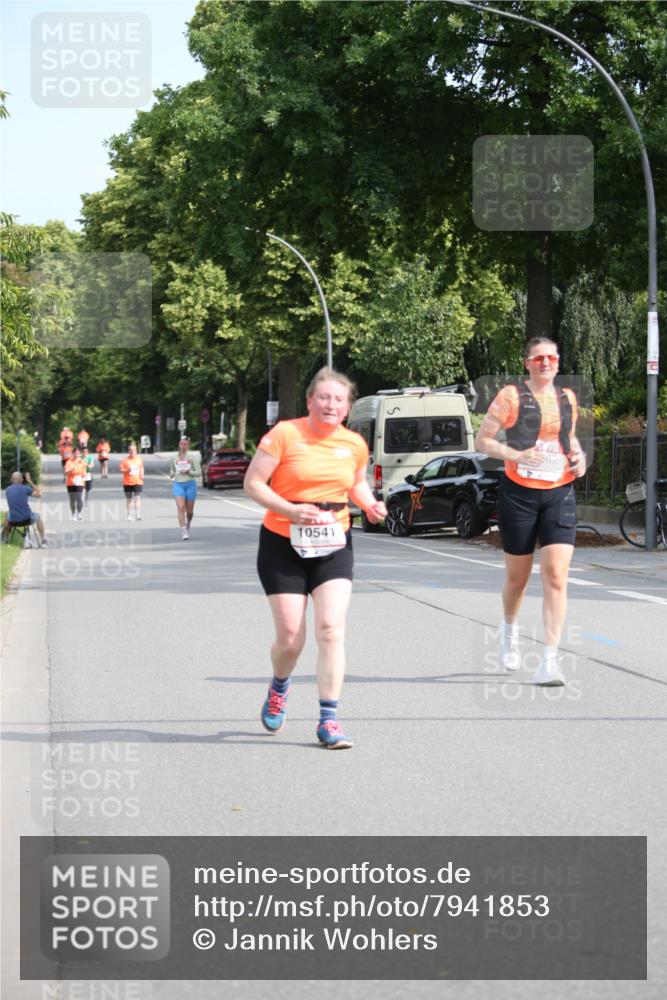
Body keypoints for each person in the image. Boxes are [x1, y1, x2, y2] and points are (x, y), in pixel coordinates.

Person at [243, 367, 387, 749]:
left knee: (331, 629)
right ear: (310, 401)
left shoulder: (354, 443)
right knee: (292, 639)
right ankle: (279, 686)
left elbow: (356, 482)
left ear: (347, 407)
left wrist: (370, 504)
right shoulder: (284, 434)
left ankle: (329, 720)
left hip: (334, 543)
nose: (330, 404)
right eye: (323, 397)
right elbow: (253, 483)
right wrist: (290, 510)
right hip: (282, 543)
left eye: (339, 399)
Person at [475, 337, 587, 687]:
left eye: (551, 357)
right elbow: (483, 441)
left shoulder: (567, 398)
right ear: (527, 363)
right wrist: (516, 455)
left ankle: (549, 662)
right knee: (518, 579)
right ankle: (509, 630)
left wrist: (580, 457)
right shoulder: (510, 396)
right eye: (538, 358)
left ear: (558, 361)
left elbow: (569, 438)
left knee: (555, 576)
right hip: (519, 493)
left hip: (559, 491)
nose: (546, 363)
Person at [168, 437, 201, 540]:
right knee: (181, 507)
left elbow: (199, 472)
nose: (183, 446)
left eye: (185, 444)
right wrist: (172, 474)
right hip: (178, 484)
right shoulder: (173, 458)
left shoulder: (192, 457)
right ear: (179, 445)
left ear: (188, 446)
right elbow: (171, 471)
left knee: (189, 511)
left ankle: (188, 523)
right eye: (181, 444)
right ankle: (184, 531)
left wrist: (189, 472)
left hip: (190, 484)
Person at [2, 471, 46, 545]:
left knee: (7, 516)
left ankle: (5, 539)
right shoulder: (25, 488)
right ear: (22, 480)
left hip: (13, 520)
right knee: (38, 517)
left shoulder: (8, 490)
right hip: (26, 519)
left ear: (11, 480)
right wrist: (30, 481)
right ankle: (43, 539)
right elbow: (40, 495)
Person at [119, 442, 144, 521]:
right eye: (131, 450)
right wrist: (127, 470)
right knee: (129, 499)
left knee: (137, 497)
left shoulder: (139, 459)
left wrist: (142, 473)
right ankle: (129, 514)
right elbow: (121, 469)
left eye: (134, 450)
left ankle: (138, 514)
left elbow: (141, 467)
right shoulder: (125, 460)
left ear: (136, 451)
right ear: (128, 451)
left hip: (138, 481)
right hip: (127, 482)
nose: (132, 451)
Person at [64, 448, 86, 520]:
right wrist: (71, 469)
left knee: (79, 498)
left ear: (79, 454)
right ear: (73, 454)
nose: (76, 454)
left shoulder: (82, 462)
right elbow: (65, 473)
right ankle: (73, 514)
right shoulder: (69, 462)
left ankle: (79, 513)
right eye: (75, 453)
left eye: (78, 453)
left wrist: (84, 477)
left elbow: (84, 473)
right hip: (71, 483)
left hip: (79, 482)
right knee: (72, 500)